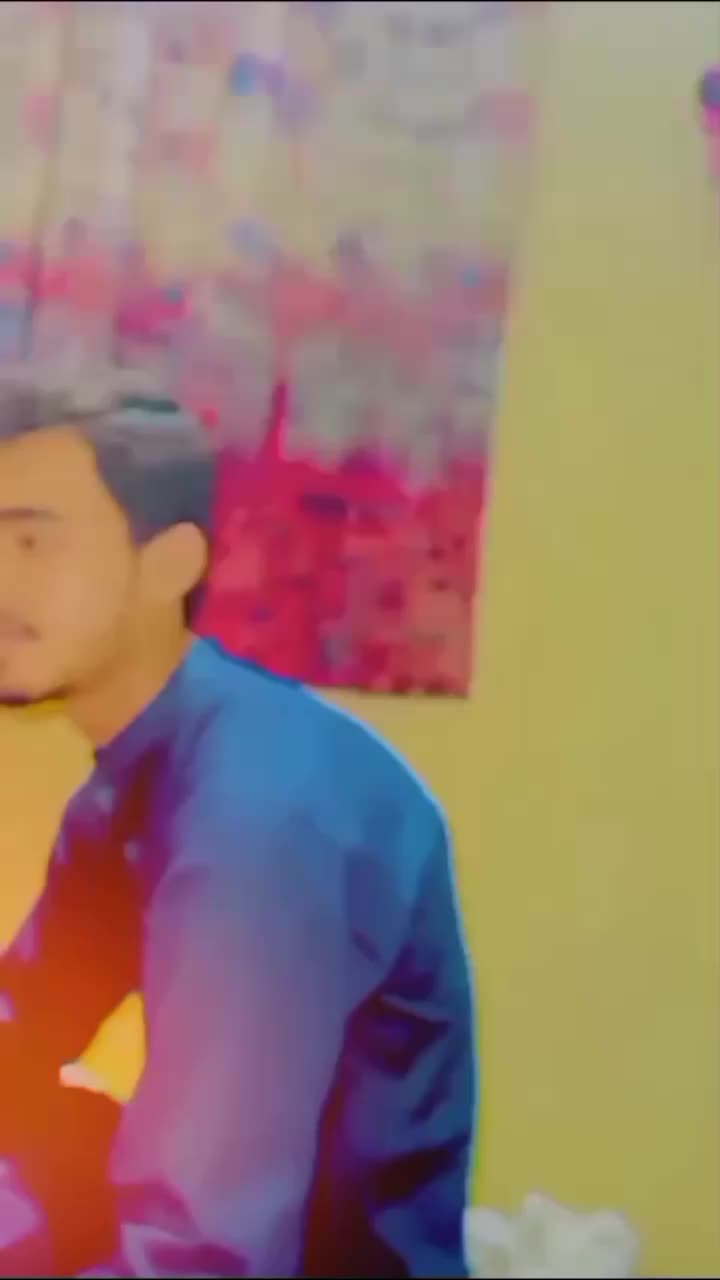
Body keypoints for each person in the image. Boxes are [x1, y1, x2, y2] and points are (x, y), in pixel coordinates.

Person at [0, 367, 477, 1278]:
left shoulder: (258, 815)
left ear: (169, 566)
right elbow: (25, 1025)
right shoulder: (129, 777)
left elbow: (202, 1252)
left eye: (33, 543)